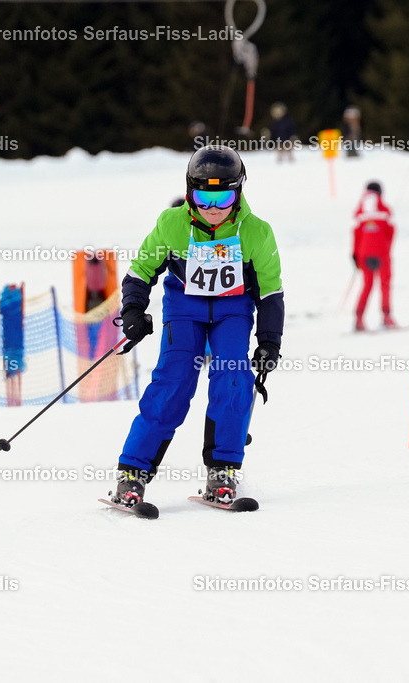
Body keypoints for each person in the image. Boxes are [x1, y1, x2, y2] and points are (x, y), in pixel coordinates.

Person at [110, 145, 284, 507]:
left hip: (232, 311)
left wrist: (269, 341)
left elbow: (270, 293)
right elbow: (140, 270)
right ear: (190, 192)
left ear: (239, 192)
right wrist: (132, 311)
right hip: (184, 309)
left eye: (223, 198)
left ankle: (222, 469)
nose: (213, 209)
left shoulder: (256, 233)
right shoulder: (171, 224)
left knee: (234, 376)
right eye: (204, 197)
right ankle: (132, 474)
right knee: (173, 381)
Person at [351, 181, 397, 332]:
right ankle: (386, 317)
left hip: (364, 254)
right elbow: (391, 232)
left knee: (367, 285)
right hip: (382, 253)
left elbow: (356, 234)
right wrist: (387, 249)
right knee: (384, 284)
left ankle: (359, 318)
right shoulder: (385, 210)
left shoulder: (360, 212)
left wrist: (355, 254)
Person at [0, 284, 25, 407]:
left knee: (14, 367)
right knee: (12, 369)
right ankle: (13, 401)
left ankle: (15, 401)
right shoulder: (8, 304)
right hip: (11, 343)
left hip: (13, 344)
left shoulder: (7, 303)